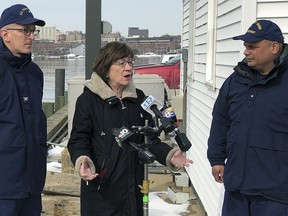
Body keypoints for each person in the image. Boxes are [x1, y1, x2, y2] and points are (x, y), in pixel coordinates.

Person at [67, 41, 193, 216]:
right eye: (121, 63)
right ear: (105, 68)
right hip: (102, 190)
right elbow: (78, 140)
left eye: (130, 62)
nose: (128, 68)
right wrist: (82, 161)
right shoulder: (88, 101)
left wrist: (169, 155)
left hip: (133, 189)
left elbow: (149, 139)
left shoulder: (138, 99)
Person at [207, 20, 288, 216]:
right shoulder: (236, 80)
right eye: (245, 46)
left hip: (276, 194)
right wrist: (217, 158)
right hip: (237, 188)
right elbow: (220, 120)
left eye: (252, 46)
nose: (246, 51)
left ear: (274, 47)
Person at [0, 4, 47, 216]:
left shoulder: (35, 73)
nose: (31, 37)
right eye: (25, 30)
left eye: (33, 31)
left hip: (32, 185)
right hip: (4, 188)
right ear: (5, 34)